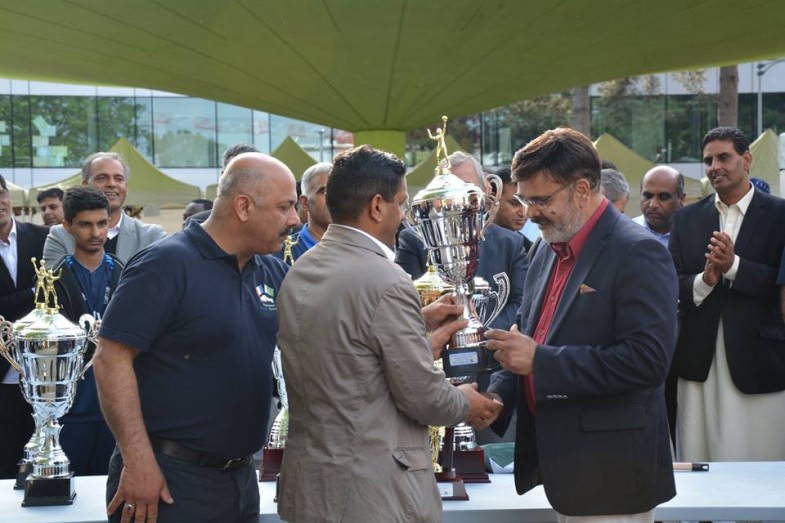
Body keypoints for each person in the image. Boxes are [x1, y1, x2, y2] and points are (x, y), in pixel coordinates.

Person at [276, 145, 502, 523]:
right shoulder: (386, 280)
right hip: (371, 492)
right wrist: (465, 401)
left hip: (311, 488)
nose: (404, 216)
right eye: (401, 203)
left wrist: (417, 321)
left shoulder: (302, 269)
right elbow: (424, 396)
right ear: (377, 206)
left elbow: (351, 355)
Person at [93, 152, 298, 522]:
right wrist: (138, 461)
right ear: (243, 206)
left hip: (239, 481)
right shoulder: (166, 264)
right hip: (169, 482)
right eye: (285, 207)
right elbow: (110, 359)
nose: (295, 221)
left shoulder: (271, 270)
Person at [485, 128, 677, 522]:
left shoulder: (638, 251)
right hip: (566, 469)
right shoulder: (545, 246)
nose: (531, 212)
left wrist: (542, 361)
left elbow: (647, 361)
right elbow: (527, 338)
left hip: (613, 475)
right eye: (524, 199)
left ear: (583, 190)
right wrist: (498, 397)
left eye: (541, 200)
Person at [669, 126, 785, 462]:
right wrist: (706, 279)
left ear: (746, 160)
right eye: (708, 161)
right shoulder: (687, 219)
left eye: (723, 157)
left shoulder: (779, 216)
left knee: (763, 462)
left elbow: (779, 284)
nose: (714, 166)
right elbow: (671, 284)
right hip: (698, 361)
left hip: (760, 359)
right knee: (700, 455)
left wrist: (734, 266)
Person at [396, 151, 528, 332]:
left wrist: (480, 334)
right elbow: (404, 305)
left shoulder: (510, 243)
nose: (457, 198)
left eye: (466, 187)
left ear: (485, 190)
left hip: (495, 352)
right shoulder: (414, 240)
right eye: (448, 191)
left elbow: (521, 303)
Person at [51, 186, 123, 476]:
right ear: (67, 226)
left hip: (115, 408)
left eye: (102, 223)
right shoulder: (54, 279)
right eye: (85, 224)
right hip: (71, 410)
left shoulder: (125, 273)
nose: (95, 232)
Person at [0, 173, 49, 479]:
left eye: (0, 193)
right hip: (3, 368)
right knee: (6, 456)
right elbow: (42, 292)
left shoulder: (44, 237)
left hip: (45, 366)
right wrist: (33, 293)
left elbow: (58, 292)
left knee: (43, 456)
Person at [43, 152, 166, 266]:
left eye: (119, 179)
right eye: (102, 178)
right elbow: (51, 284)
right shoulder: (60, 235)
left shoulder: (152, 236)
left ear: (126, 187)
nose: (112, 184)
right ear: (85, 185)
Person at [276, 162, 332, 263]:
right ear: (305, 203)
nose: (334, 198)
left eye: (338, 191)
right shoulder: (282, 253)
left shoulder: (359, 248)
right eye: (324, 191)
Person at [632, 166, 686, 248]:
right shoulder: (626, 233)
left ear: (681, 199)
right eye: (648, 196)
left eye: (663, 197)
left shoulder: (695, 235)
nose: (653, 205)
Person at [491, 167, 531, 242]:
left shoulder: (530, 248)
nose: (524, 213)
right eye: (515, 203)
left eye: (527, 203)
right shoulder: (473, 240)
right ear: (493, 199)